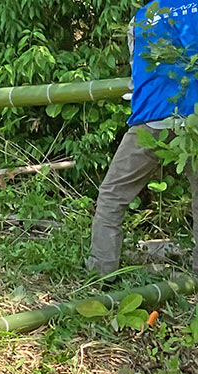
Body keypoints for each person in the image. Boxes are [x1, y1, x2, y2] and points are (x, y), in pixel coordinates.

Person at [87, 0, 198, 277]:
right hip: (195, 116)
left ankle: (101, 273)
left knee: (113, 194)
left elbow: (138, 71)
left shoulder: (142, 17)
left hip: (153, 115)